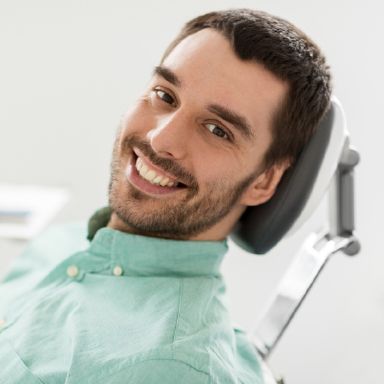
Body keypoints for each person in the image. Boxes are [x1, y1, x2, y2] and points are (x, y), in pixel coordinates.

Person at [0, 8, 331, 383]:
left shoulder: (169, 368)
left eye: (217, 130)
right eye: (165, 95)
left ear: (264, 182)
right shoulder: (62, 242)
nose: (161, 139)